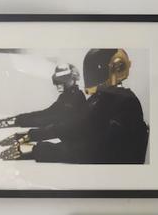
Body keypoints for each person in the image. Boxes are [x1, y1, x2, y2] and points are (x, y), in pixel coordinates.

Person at [14, 49, 149, 164]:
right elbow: (76, 124)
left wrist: (40, 150)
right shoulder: (102, 98)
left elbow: (98, 151)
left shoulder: (127, 104)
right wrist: (33, 135)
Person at [0, 63, 85, 134]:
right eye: (58, 80)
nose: (59, 83)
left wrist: (18, 122)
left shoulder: (77, 96)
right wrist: (16, 118)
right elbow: (47, 112)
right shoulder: (64, 96)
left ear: (73, 79)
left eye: (63, 79)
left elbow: (51, 119)